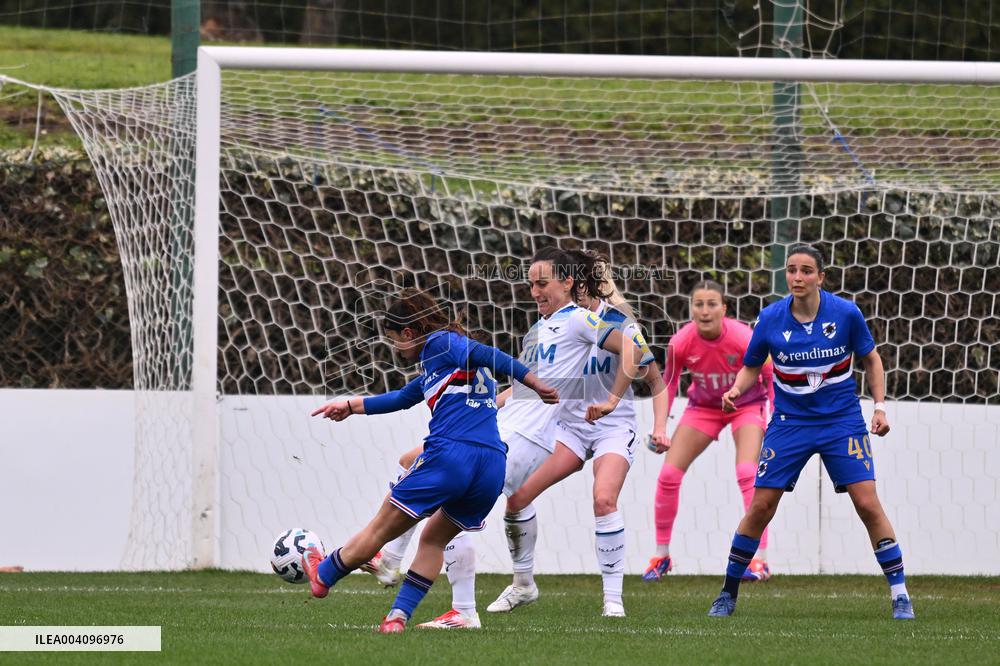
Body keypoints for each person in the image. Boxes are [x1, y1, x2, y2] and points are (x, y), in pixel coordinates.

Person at [369, 247, 644, 628]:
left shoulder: (581, 320)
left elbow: (633, 349)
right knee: (415, 464)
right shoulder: (540, 329)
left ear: (567, 282)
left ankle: (435, 591)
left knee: (449, 500)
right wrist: (488, 406)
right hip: (506, 426)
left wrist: (613, 401)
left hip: (529, 436)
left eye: (542, 283)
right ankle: (404, 569)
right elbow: (523, 388)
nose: (534, 291)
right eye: (531, 284)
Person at [304, 288, 558, 633]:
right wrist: (351, 406)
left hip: (450, 455)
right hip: (491, 465)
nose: (396, 348)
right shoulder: (444, 364)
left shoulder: (441, 343)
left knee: (379, 530)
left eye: (395, 340)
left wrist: (533, 382)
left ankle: (323, 574)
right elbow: (403, 397)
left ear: (409, 332)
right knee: (433, 540)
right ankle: (397, 617)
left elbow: (489, 352)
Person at [707, 244, 914, 620]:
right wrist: (737, 389)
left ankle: (900, 595)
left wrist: (880, 407)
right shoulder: (770, 318)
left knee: (867, 503)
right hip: (791, 424)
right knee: (761, 506)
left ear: (821, 277)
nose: (797, 278)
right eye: (791, 270)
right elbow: (751, 366)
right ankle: (727, 593)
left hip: (842, 421)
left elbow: (871, 359)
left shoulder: (846, 313)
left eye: (805, 271)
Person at [487, 251, 667, 618]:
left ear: (579, 285)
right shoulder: (554, 325)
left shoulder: (619, 324)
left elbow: (654, 379)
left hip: (612, 429)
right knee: (517, 497)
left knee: (603, 499)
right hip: (568, 427)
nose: (545, 294)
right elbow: (536, 384)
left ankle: (612, 599)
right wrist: (494, 403)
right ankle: (523, 584)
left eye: (548, 285)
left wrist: (657, 424)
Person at [643, 280, 775, 583]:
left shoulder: (744, 337)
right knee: (668, 476)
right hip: (703, 409)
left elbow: (770, 378)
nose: (705, 311)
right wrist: (660, 427)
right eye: (698, 304)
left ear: (724, 308)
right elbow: (668, 384)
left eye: (711, 304)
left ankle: (759, 561)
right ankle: (661, 556)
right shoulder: (680, 341)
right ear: (691, 309)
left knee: (746, 471)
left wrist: (775, 418)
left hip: (746, 405)